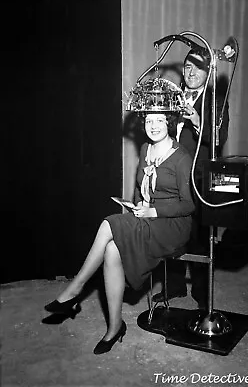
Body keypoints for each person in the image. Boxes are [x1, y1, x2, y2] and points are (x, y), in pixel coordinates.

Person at [44, 109, 195, 355]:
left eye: (159, 120)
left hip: (173, 226)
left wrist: (153, 211)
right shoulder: (146, 149)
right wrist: (136, 208)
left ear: (169, 122)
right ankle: (115, 327)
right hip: (147, 219)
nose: (154, 125)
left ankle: (74, 290)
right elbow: (140, 189)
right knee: (112, 250)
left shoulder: (182, 157)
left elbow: (189, 205)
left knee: (108, 223)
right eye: (149, 120)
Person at [152, 47, 230, 308]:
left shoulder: (215, 99)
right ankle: (174, 287)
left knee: (198, 238)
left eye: (198, 66)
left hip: (198, 178)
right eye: (187, 66)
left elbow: (218, 140)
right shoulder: (173, 96)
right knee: (170, 232)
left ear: (208, 72)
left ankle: (201, 295)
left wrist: (197, 120)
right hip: (171, 176)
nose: (191, 72)